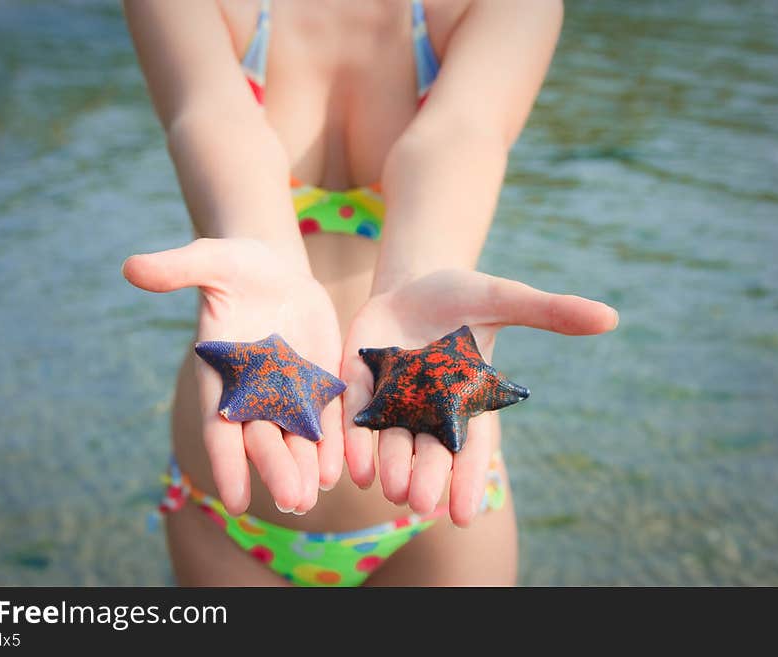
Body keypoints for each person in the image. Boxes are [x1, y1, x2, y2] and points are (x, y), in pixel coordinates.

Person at [121, 0, 618, 586]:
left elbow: (461, 135)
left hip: (435, 520)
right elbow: (212, 121)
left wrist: (419, 274)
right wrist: (267, 255)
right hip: (229, 518)